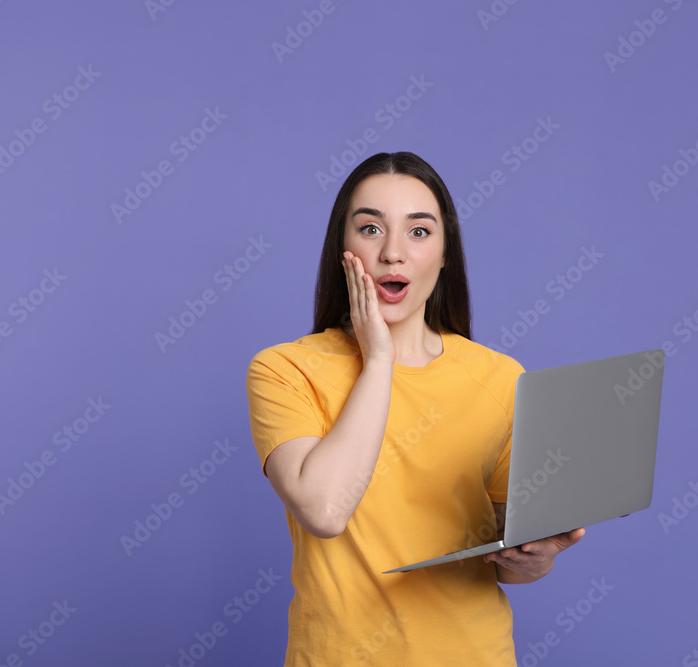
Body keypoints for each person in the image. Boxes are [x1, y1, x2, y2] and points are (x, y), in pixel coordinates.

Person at [245, 151, 585, 665]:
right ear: (343, 247)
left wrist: (536, 558)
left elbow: (506, 562)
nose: (393, 254)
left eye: (419, 232)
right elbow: (324, 510)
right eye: (370, 229)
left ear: (446, 253)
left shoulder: (500, 378)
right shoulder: (285, 370)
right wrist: (379, 357)